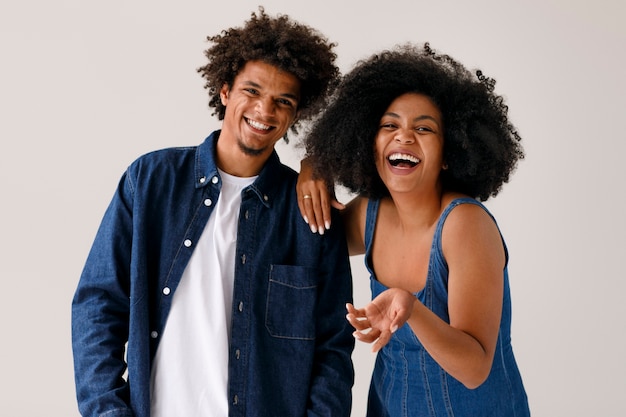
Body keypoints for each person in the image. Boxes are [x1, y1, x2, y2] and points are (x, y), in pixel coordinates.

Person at [71, 7, 354, 417]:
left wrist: (318, 163)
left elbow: (332, 347)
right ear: (225, 91)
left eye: (283, 101)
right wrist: (107, 410)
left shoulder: (309, 212)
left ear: (295, 114)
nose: (264, 111)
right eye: (252, 91)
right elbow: (98, 305)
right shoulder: (150, 181)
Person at [297, 43, 530, 416]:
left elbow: (475, 368)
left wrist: (412, 309)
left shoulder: (464, 224)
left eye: (424, 128)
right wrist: (313, 166)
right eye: (389, 125)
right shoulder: (369, 214)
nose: (404, 136)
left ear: (449, 154)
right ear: (368, 144)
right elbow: (306, 232)